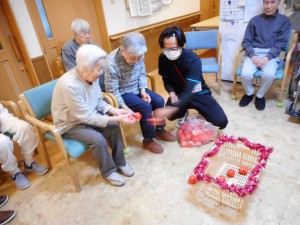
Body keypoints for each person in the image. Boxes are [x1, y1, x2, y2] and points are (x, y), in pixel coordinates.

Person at [52, 44, 136, 187]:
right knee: (97, 140)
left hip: (86, 115)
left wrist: (115, 111)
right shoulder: (69, 85)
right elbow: (87, 117)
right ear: (86, 68)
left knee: (114, 127)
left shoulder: (91, 76)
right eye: (99, 69)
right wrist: (118, 117)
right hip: (70, 124)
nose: (101, 72)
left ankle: (120, 162)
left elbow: (98, 101)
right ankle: (108, 171)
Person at [105, 32, 177, 155]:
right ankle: (148, 140)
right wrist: (126, 108)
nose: (136, 61)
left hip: (137, 88)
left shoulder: (138, 54)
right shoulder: (111, 62)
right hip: (122, 93)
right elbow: (112, 91)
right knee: (146, 107)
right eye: (132, 58)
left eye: (138, 58)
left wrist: (143, 90)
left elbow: (142, 74)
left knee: (158, 100)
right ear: (123, 50)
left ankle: (160, 130)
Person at [154, 26, 228, 131]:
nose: (169, 51)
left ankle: (200, 111)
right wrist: (171, 92)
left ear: (182, 45)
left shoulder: (193, 59)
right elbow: (166, 80)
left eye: (174, 48)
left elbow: (189, 88)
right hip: (179, 94)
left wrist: (172, 108)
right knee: (171, 116)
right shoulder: (163, 59)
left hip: (198, 93)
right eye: (166, 49)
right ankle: (183, 112)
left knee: (221, 122)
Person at [239, 0, 291, 110]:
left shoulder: (284, 21)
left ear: (278, 3)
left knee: (269, 75)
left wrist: (268, 57)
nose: (269, 6)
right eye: (266, 3)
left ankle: (260, 96)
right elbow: (246, 41)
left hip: (271, 54)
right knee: (245, 74)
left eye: (272, 2)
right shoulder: (254, 21)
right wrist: (253, 56)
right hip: (254, 52)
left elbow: (281, 43)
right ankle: (249, 93)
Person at [0, 103, 48, 190]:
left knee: (25, 128)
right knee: (2, 143)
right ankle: (15, 173)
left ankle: (29, 163)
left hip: (1, 116)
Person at [61, 18, 105, 90]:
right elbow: (70, 70)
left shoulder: (93, 44)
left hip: (97, 77)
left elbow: (103, 61)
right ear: (75, 34)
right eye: (84, 33)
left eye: (89, 33)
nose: (88, 36)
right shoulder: (67, 48)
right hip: (82, 81)